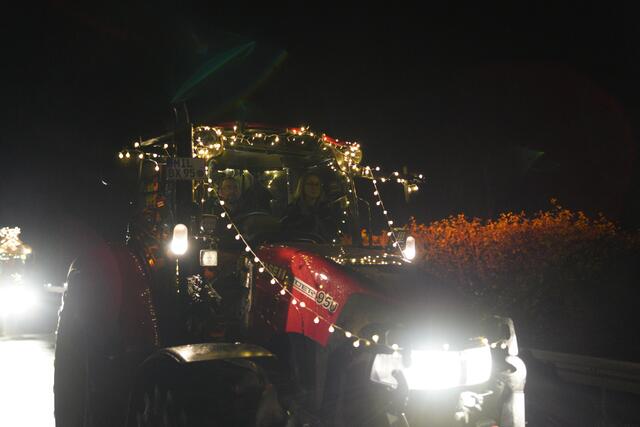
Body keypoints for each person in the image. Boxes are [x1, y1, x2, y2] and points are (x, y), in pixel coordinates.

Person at [280, 172, 337, 241]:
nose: (314, 188)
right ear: (302, 187)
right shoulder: (293, 210)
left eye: (317, 184)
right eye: (310, 184)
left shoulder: (326, 209)